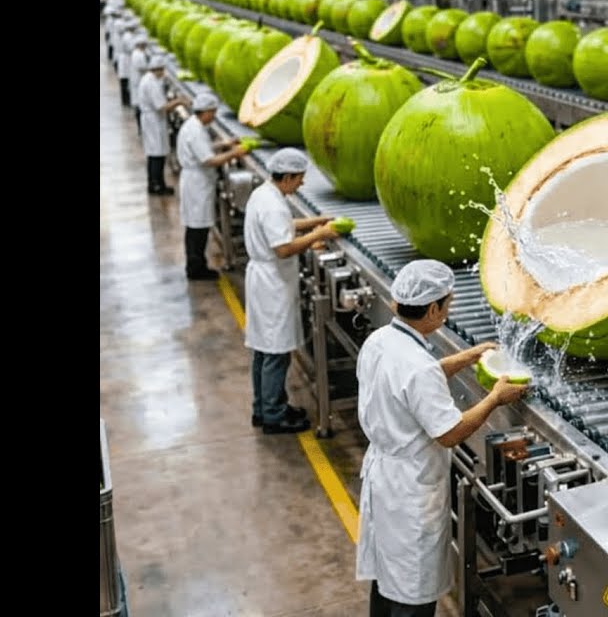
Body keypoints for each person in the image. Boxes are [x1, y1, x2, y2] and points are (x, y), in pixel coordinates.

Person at [355, 259, 526, 617]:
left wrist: (467, 357)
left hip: (384, 478)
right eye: (447, 304)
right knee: (412, 593)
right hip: (411, 491)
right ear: (433, 309)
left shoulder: (380, 340)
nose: (448, 310)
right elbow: (450, 433)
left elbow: (414, 378)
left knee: (387, 579)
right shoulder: (417, 368)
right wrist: (494, 399)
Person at [243, 148, 339, 434]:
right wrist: (319, 235)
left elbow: (284, 226)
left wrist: (316, 222)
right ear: (286, 177)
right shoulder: (273, 204)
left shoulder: (264, 194)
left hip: (263, 280)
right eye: (299, 178)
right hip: (272, 284)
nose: (302, 183)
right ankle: (274, 416)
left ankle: (263, 408)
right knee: (276, 353)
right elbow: (283, 248)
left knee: (264, 351)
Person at [177, 92, 248, 281]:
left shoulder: (194, 126)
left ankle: (196, 264)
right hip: (197, 184)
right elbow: (209, 160)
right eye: (213, 112)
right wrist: (235, 153)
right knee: (197, 228)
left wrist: (225, 144)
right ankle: (196, 269)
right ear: (206, 111)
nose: (214, 116)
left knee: (196, 226)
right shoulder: (195, 130)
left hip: (196, 181)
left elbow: (205, 148)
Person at [135, 56, 189, 195]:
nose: (163, 73)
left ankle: (156, 183)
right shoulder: (151, 83)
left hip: (152, 120)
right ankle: (157, 185)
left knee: (154, 153)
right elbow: (161, 107)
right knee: (156, 154)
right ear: (157, 69)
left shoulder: (149, 79)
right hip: (153, 121)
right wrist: (179, 101)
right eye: (162, 70)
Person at [128, 36, 150, 128]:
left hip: (138, 80)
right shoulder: (138, 54)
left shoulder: (138, 53)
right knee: (139, 102)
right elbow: (142, 67)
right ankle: (139, 122)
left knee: (138, 101)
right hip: (138, 80)